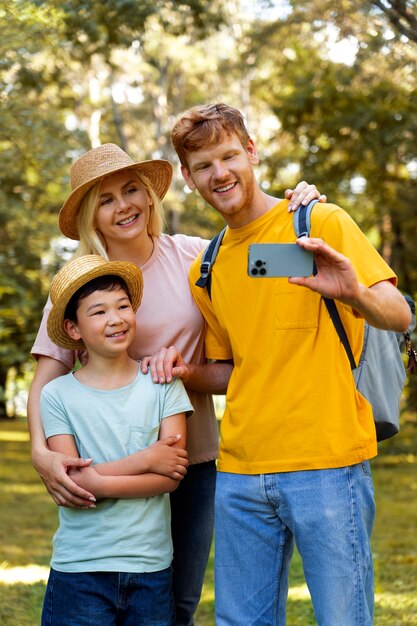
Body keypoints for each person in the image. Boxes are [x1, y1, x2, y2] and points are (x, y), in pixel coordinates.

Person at [27, 142, 324, 625]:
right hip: (109, 462)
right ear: (91, 218)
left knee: (174, 605)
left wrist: (307, 213)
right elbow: (46, 377)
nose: (124, 206)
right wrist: (41, 451)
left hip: (193, 459)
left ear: (149, 196)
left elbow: (301, 263)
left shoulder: (196, 257)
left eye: (131, 191)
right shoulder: (78, 286)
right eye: (106, 200)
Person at [146, 102, 412, 626]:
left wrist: (354, 291)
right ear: (188, 177)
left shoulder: (318, 221)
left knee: (343, 618)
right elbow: (233, 368)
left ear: (251, 152)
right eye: (203, 166)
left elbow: (399, 314)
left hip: (327, 464)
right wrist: (185, 370)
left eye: (228, 156)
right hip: (241, 473)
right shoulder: (211, 263)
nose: (219, 173)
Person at [40, 254, 194, 625]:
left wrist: (99, 480)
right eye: (98, 311)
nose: (115, 318)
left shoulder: (163, 384)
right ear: (73, 329)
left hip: (150, 569)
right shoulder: (57, 395)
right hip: (80, 568)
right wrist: (144, 460)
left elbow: (170, 475)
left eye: (123, 306)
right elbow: (74, 483)